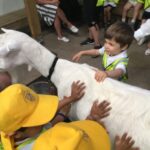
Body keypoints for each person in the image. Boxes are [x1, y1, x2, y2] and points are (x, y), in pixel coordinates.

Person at [0, 81, 111, 150]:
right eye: (38, 118)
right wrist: (90, 119)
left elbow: (46, 125)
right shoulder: (37, 147)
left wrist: (70, 99)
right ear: (17, 134)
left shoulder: (7, 123)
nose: (46, 117)